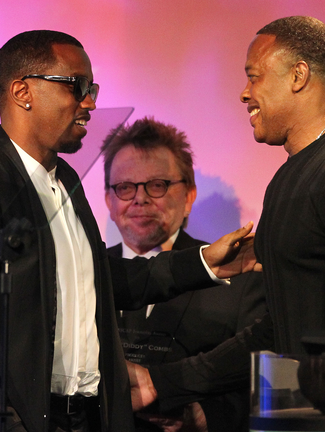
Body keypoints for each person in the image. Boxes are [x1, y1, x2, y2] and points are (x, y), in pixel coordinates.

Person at [0, 30, 258, 432]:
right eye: (77, 86)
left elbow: (102, 280)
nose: (90, 102)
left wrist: (204, 263)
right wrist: (2, 423)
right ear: (23, 92)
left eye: (91, 88)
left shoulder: (66, 182)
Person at [127, 15, 325, 416]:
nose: (244, 93)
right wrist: (163, 383)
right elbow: (280, 330)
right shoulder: (292, 175)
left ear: (298, 75)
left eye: (254, 77)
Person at [101, 117, 266, 431]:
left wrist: (204, 416)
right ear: (108, 200)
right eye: (124, 187)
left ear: (189, 195)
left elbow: (265, 388)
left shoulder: (239, 276)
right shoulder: (85, 274)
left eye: (157, 185)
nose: (140, 198)